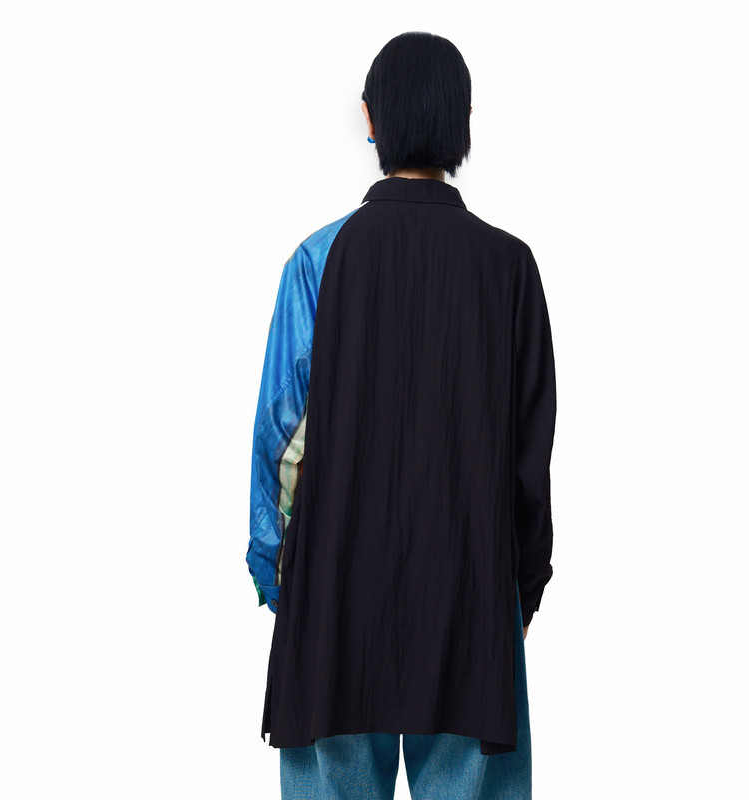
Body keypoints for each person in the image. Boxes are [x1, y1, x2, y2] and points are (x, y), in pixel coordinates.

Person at [246, 31, 557, 800]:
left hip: (335, 595)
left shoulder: (319, 261)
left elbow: (283, 436)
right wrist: (522, 585)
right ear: (463, 122)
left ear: (370, 118)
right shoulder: (508, 267)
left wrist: (277, 571)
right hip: (469, 595)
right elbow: (529, 452)